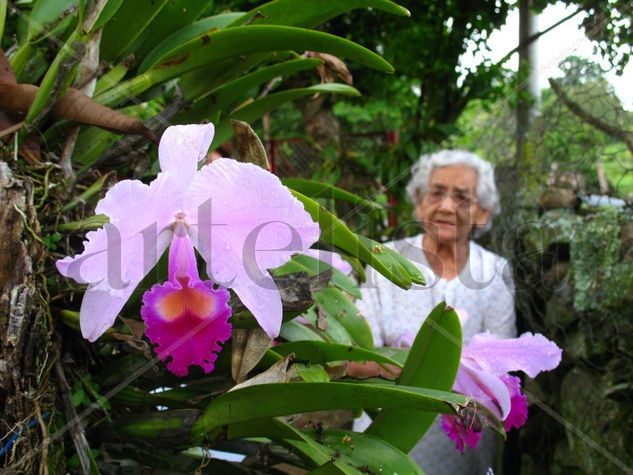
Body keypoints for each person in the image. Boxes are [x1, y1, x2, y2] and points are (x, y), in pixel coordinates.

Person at [350, 150, 516, 475]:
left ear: (482, 210)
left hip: (463, 451)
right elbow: (353, 360)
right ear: (419, 201)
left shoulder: (495, 272)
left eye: (462, 197)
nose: (447, 206)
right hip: (383, 444)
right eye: (437, 193)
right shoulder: (386, 261)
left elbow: (503, 369)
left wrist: (415, 365)